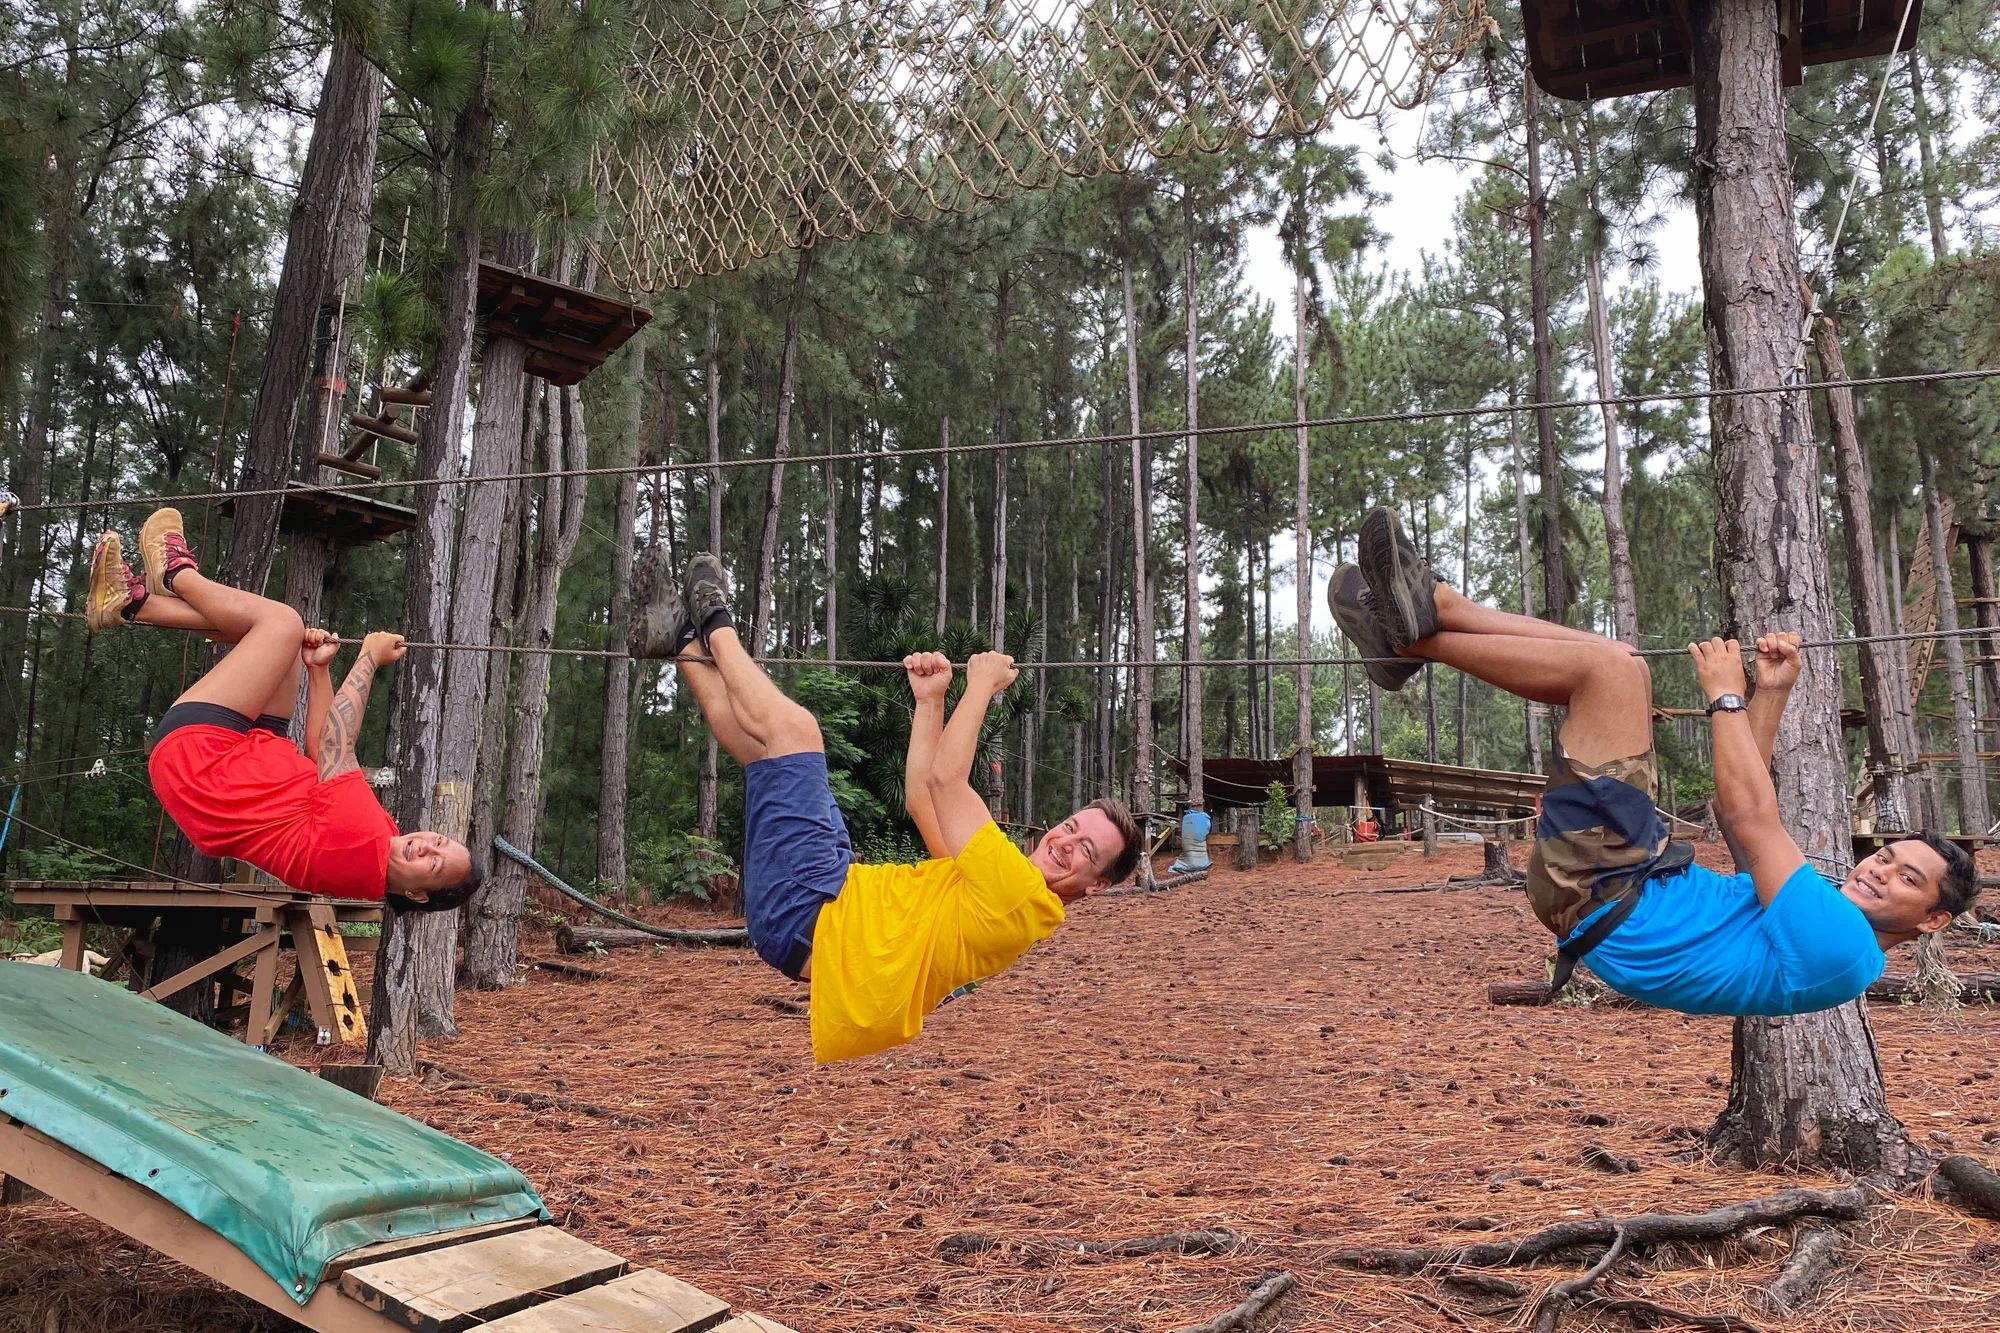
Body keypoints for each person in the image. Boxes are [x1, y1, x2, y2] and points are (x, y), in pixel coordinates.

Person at [1330, 506, 1979, 1016]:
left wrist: (1727, 696)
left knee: (1610, 672)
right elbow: (1737, 812)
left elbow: (1751, 816)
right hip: (1624, 877)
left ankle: (1425, 626)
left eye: (1907, 880)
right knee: (1622, 663)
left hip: (1606, 890)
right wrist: (1772, 693)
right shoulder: (1830, 930)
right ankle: (1431, 620)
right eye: (1888, 857)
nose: (1879, 870)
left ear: (1932, 921)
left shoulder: (1841, 945)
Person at [628, 547, 1142, 1062]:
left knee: (795, 731)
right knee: (765, 751)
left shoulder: (1016, 895)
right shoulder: (998, 890)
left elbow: (947, 780)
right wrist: (930, 701)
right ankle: (677, 635)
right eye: (1073, 827)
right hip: (820, 901)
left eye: (1087, 851)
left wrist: (981, 686)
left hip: (811, 911)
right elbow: (922, 798)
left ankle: (714, 618)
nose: (1065, 843)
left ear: (1096, 884)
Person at [86, 508, 479, 910]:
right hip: (247, 763)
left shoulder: (364, 848)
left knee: (281, 623)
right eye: (439, 842)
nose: (426, 848)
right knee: (285, 644)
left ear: (415, 893)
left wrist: (368, 659)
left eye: (433, 865)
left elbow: (334, 748)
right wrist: (319, 671)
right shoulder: (380, 849)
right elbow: (318, 752)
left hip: (206, 765)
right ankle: (132, 605)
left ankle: (177, 576)